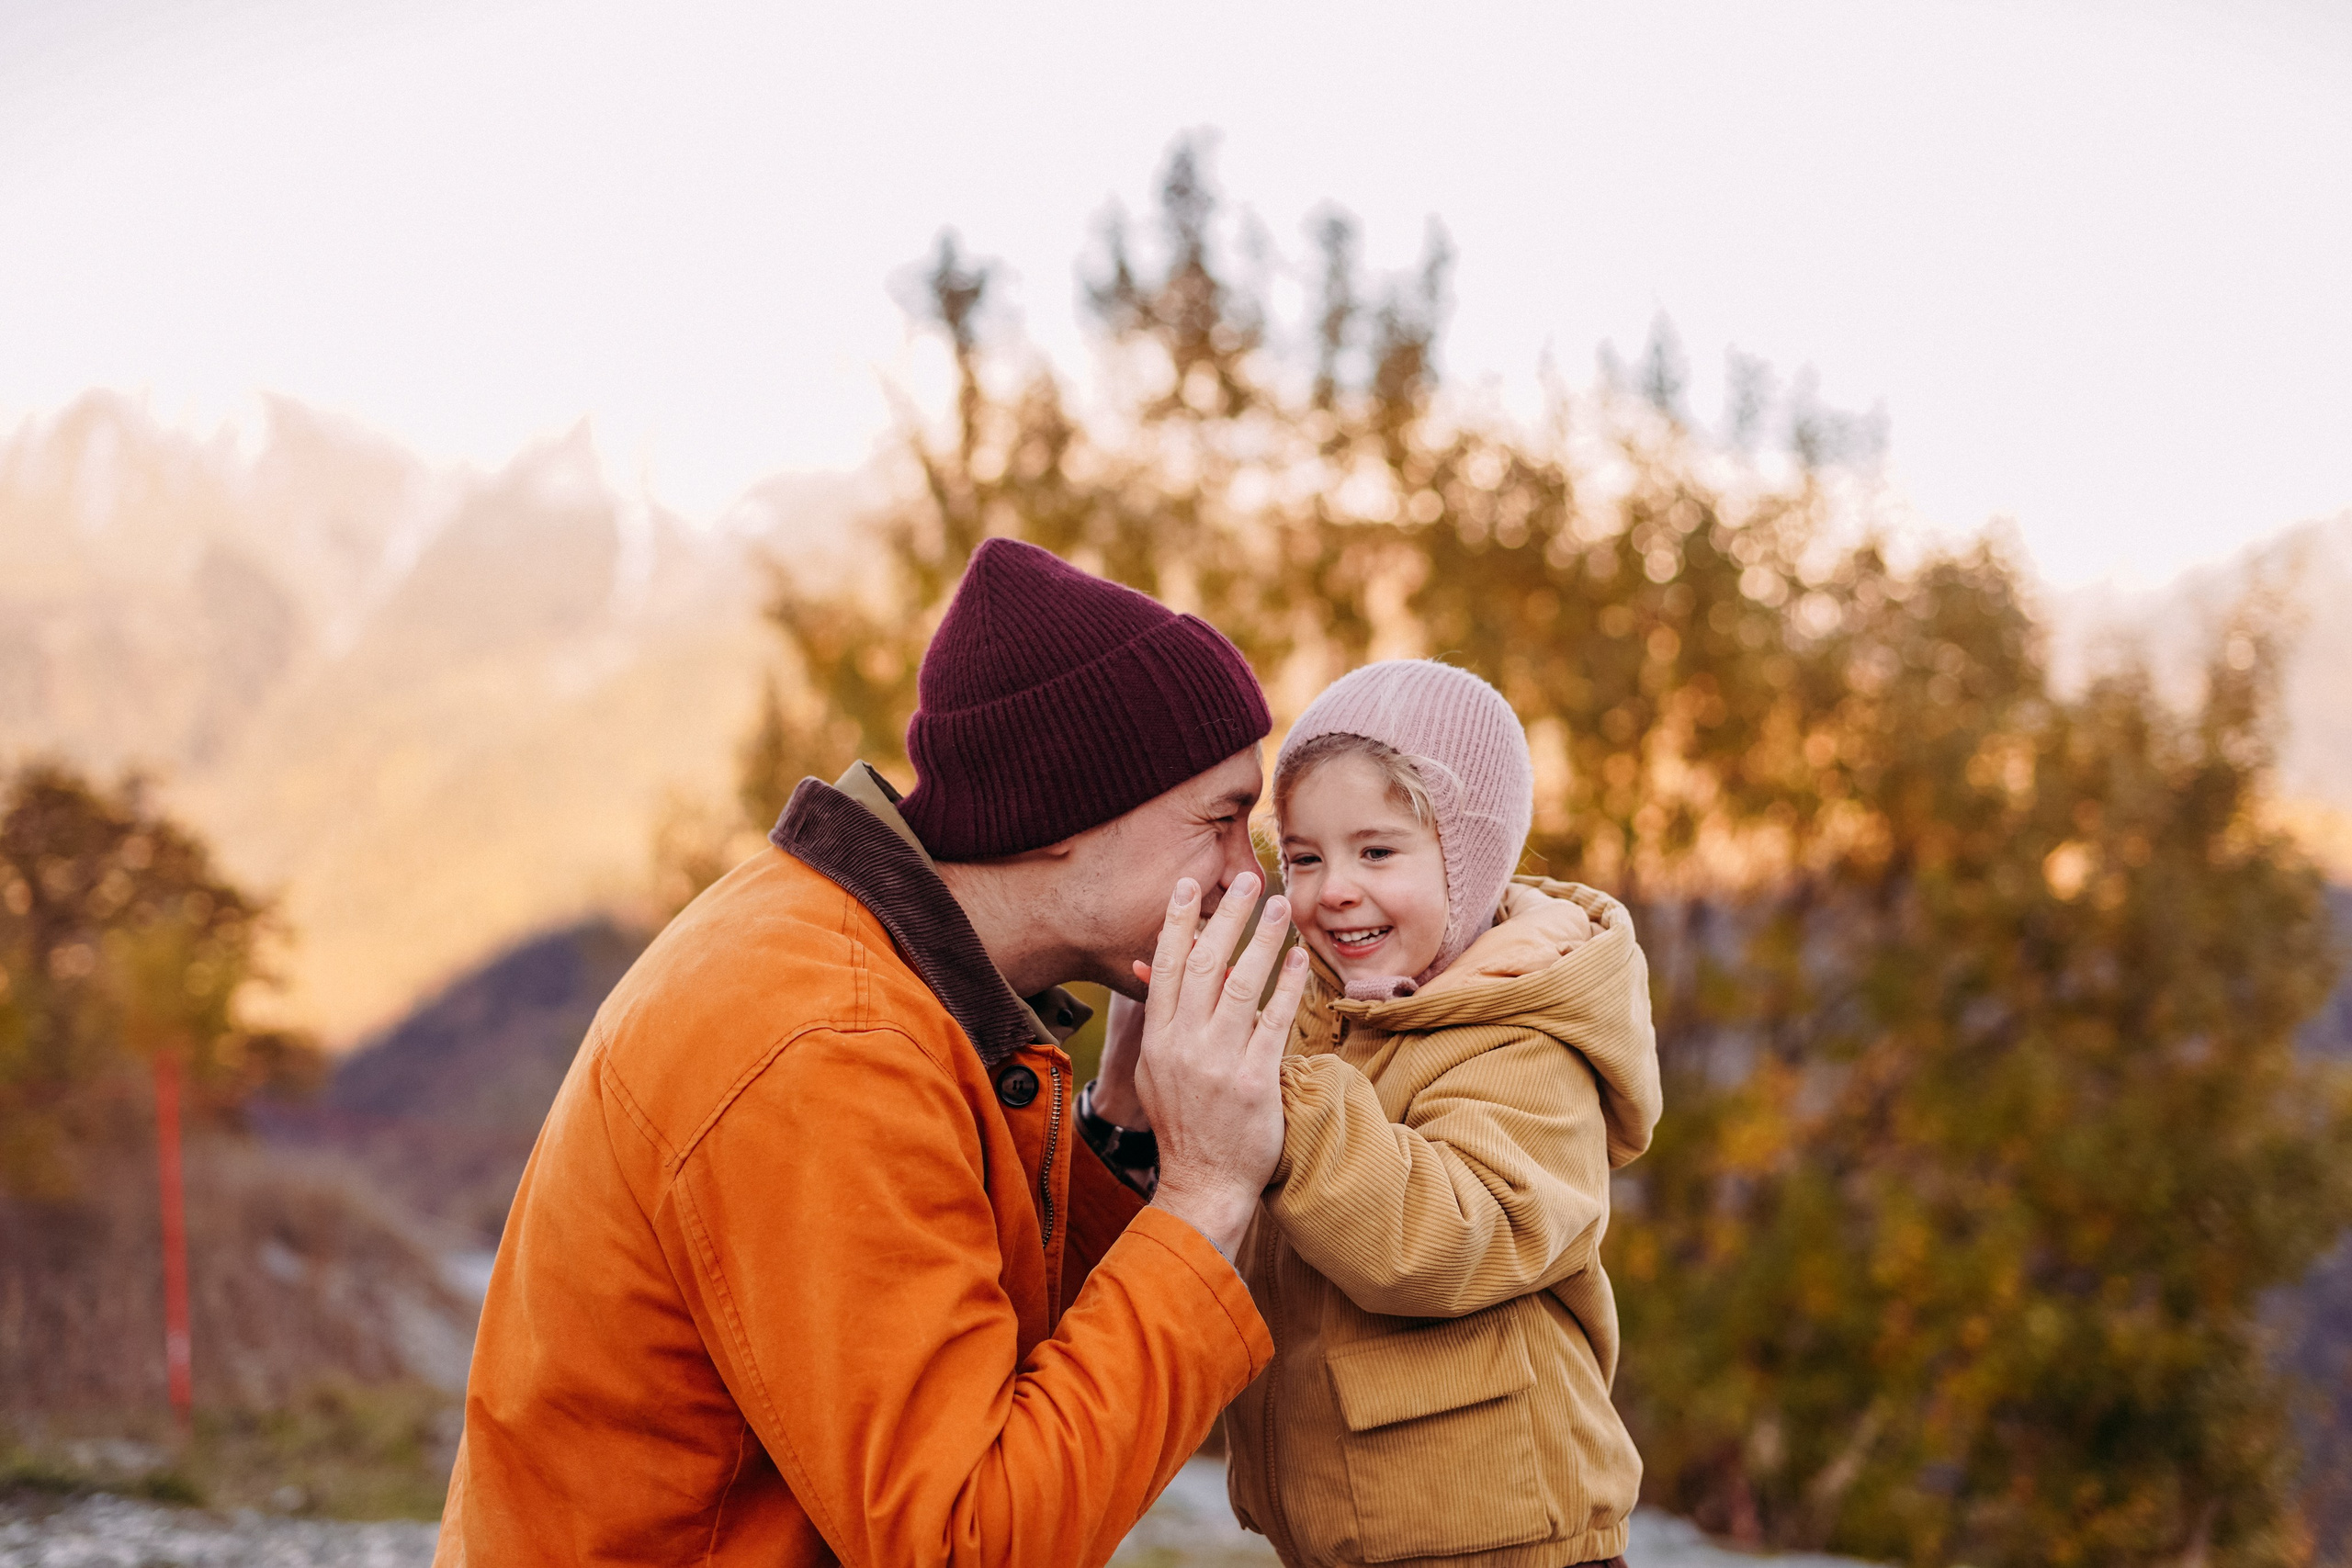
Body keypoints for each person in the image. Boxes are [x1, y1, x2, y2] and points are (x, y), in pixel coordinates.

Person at [435, 537, 1311, 1567]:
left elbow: (1002, 1384)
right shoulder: (829, 1047)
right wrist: (1204, 1194)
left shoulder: (869, 960)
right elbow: (963, 1542)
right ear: (1068, 810)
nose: (1245, 877)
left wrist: (1119, 1132)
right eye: (1219, 820)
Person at [1216, 659, 1665, 1568]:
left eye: (1376, 852)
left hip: (1504, 1537)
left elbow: (1439, 1239)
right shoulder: (1335, 1010)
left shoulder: (1526, 1037)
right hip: (1364, 1528)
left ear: (1469, 861)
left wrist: (1276, 1089)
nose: (1332, 886)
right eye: (1303, 857)